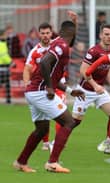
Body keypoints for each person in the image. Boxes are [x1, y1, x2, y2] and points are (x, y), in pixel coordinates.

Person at [13, 19, 85, 173]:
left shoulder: (58, 43)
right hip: (40, 92)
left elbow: (53, 75)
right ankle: (53, 162)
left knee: (41, 129)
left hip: (33, 91)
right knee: (69, 122)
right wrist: (50, 88)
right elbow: (45, 63)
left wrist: (70, 91)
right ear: (71, 34)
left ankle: (21, 162)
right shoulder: (62, 46)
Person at [23, 11, 78, 152]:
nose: (46, 35)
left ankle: (57, 142)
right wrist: (26, 83)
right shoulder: (35, 51)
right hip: (44, 87)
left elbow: (69, 37)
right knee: (64, 121)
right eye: (43, 33)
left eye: (48, 33)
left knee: (63, 117)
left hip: (57, 84)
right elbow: (28, 68)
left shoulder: (57, 44)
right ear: (39, 34)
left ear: (51, 33)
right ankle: (49, 146)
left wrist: (74, 22)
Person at [72, 24, 110, 153]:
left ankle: (108, 144)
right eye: (106, 34)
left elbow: (107, 70)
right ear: (101, 35)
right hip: (85, 91)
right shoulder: (94, 51)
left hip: (100, 91)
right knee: (74, 122)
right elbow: (83, 70)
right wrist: (95, 85)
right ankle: (55, 142)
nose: (109, 37)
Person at [0, 29, 12, 104]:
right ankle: (8, 100)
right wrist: (11, 62)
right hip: (2, 67)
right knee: (7, 84)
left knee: (6, 84)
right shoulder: (2, 44)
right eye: (4, 35)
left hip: (3, 67)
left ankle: (8, 100)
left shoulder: (4, 43)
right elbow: (4, 56)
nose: (6, 36)